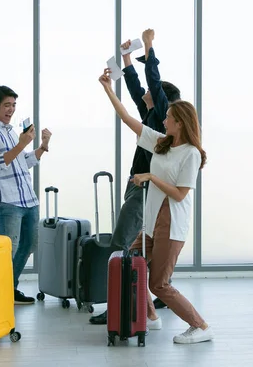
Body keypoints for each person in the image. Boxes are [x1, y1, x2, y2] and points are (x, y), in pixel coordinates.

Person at [98, 70, 214, 344]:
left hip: (171, 227)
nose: (164, 120)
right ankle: (150, 316)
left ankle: (200, 326)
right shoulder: (162, 144)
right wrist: (107, 90)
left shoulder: (191, 154)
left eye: (169, 118)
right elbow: (127, 119)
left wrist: (150, 177)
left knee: (159, 284)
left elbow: (180, 193)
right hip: (151, 225)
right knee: (131, 262)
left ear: (181, 124)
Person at [90, 29, 180, 325]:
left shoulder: (163, 116)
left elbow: (152, 81)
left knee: (120, 245)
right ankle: (144, 305)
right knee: (137, 247)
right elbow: (135, 87)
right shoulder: (152, 116)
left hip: (144, 190)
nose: (145, 93)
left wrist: (150, 46)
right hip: (138, 187)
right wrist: (127, 58)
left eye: (151, 94)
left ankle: (117, 306)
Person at [0, 85, 52, 305]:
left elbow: (22, 162)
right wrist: (22, 143)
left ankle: (9, 288)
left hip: (28, 198)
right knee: (8, 250)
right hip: (7, 201)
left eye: (14, 105)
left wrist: (42, 147)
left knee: (31, 244)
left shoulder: (9, 131)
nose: (11, 110)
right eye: (7, 105)